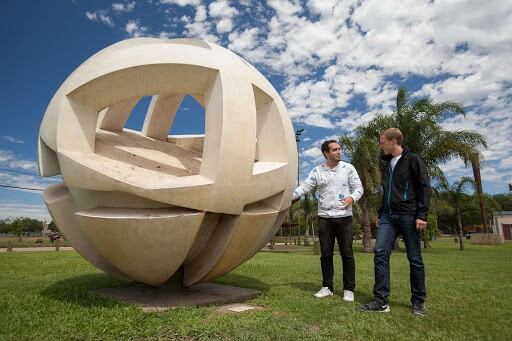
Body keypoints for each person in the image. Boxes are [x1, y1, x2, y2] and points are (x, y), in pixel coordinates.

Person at [360, 128, 430, 316]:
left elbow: (424, 187)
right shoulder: (388, 163)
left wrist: (422, 215)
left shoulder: (413, 159)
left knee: (414, 258)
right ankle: (381, 301)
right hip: (388, 217)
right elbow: (388, 191)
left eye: (382, 142)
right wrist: (382, 213)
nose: (380, 145)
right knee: (380, 253)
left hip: (409, 214)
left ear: (394, 141)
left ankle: (418, 302)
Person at [293, 140, 363, 301]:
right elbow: (305, 187)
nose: (339, 152)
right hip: (324, 218)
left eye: (339, 149)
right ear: (326, 153)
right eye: (334, 150)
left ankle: (348, 289)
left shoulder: (348, 169)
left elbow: (359, 188)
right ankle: (327, 287)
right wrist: (290, 197)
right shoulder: (318, 171)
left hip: (344, 217)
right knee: (326, 254)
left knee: (347, 254)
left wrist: (352, 198)